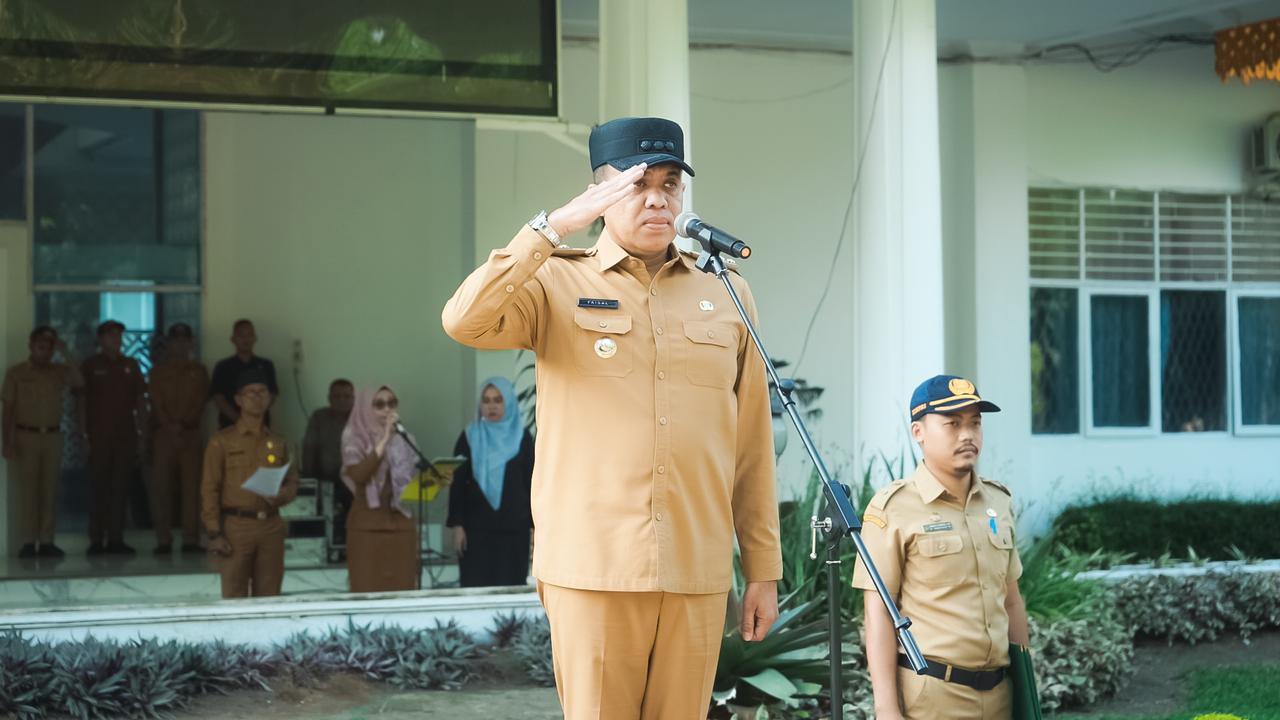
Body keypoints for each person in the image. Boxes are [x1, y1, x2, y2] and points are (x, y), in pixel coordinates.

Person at [442, 116, 782, 719]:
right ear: (601, 193)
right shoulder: (553, 280)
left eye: (671, 182)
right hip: (593, 568)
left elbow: (751, 442)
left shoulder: (726, 292)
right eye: (636, 182)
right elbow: (464, 320)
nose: (657, 197)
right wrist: (551, 228)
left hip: (695, 571)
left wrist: (761, 568)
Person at [852, 375, 1031, 720]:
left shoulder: (998, 501)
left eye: (975, 423)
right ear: (918, 432)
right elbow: (878, 615)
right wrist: (886, 708)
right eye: (952, 424)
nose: (967, 434)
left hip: (1000, 696)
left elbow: (1011, 600)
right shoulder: (893, 508)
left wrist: (1026, 687)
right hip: (933, 697)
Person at [200, 368, 299, 598]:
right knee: (234, 596)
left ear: (270, 398)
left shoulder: (279, 442)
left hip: (271, 525)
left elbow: (293, 480)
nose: (257, 397)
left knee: (270, 594)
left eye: (262, 392)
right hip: (236, 526)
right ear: (238, 400)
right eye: (250, 393)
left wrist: (284, 494)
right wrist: (214, 533)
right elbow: (209, 487)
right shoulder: (222, 441)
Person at [1, 327, 84, 558]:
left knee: (50, 489)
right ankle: (29, 542)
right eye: (40, 346)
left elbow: (79, 381)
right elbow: (7, 410)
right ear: (31, 345)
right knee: (29, 490)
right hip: (25, 435)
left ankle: (47, 541)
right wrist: (5, 441)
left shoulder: (58, 371)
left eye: (48, 347)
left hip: (53, 436)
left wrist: (64, 352)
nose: (44, 351)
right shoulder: (16, 373)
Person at [446, 377, 534, 587]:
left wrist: (534, 527)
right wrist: (458, 525)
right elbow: (457, 483)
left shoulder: (522, 437)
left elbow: (532, 483)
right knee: (475, 588)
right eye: (486, 400)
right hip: (476, 530)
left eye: (497, 400)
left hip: (514, 530)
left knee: (511, 589)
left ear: (508, 403)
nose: (491, 406)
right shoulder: (470, 436)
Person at [340, 385, 420, 592]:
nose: (387, 409)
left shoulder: (406, 439)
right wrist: (384, 441)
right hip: (367, 528)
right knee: (367, 592)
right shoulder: (353, 439)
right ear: (365, 409)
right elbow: (359, 475)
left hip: (401, 527)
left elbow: (414, 481)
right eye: (379, 404)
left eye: (392, 403)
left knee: (403, 592)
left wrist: (437, 479)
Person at [79, 320, 147, 555]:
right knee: (99, 488)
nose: (115, 339)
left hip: (125, 436)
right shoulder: (90, 365)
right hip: (99, 436)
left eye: (118, 335)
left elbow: (140, 400)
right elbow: (82, 402)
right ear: (100, 339)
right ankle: (97, 539)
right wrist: (83, 435)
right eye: (110, 335)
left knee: (120, 488)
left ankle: (116, 538)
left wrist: (142, 434)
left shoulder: (131, 365)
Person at [149, 323, 210, 554]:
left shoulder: (199, 371)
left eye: (185, 340)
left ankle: (191, 539)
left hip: (190, 434)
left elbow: (201, 401)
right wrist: (169, 426)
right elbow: (155, 403)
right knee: (162, 489)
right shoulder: (157, 371)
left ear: (191, 342)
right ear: (169, 343)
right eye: (176, 340)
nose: (180, 345)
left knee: (192, 489)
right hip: (164, 436)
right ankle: (163, 540)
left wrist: (182, 425)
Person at [302, 378, 355, 551]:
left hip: (355, 481)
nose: (342, 400)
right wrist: (310, 483)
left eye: (347, 396)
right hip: (325, 479)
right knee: (325, 522)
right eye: (337, 396)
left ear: (354, 398)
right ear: (329, 398)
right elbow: (309, 448)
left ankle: (352, 550)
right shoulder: (319, 417)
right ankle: (327, 551)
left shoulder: (361, 419)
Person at [209, 319, 278, 429]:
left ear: (255, 338)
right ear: (233, 339)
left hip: (260, 426)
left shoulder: (266, 365)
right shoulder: (223, 366)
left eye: (250, 335)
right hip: (230, 426)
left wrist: (254, 416)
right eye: (241, 335)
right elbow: (218, 398)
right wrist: (239, 419)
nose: (246, 339)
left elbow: (272, 394)